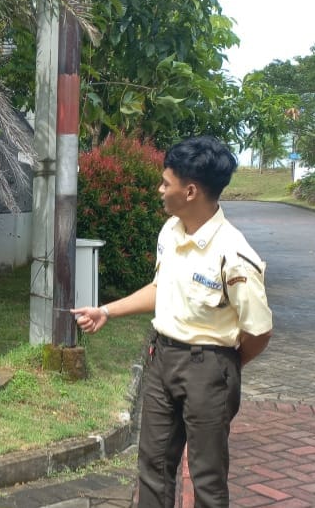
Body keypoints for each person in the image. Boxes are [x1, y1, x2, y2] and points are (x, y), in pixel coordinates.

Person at [72, 136, 273, 508]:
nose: (160, 190)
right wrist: (106, 311)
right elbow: (161, 288)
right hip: (162, 359)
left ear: (190, 191)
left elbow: (258, 331)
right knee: (153, 466)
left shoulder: (234, 254)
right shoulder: (171, 231)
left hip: (209, 368)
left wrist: (223, 366)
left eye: (166, 183)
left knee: (207, 477)